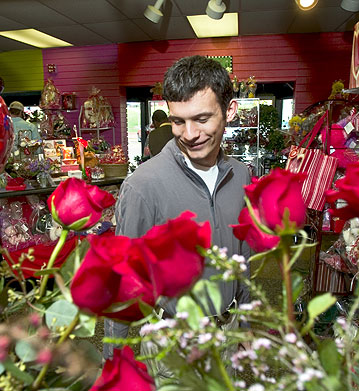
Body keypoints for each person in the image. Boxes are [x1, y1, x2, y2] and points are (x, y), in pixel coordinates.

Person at [104, 55, 252, 381]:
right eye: (178, 121)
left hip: (228, 333)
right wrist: (112, 366)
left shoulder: (242, 175)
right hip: (171, 344)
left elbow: (244, 258)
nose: (189, 134)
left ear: (230, 112)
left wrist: (245, 326)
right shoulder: (143, 186)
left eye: (202, 119)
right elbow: (124, 279)